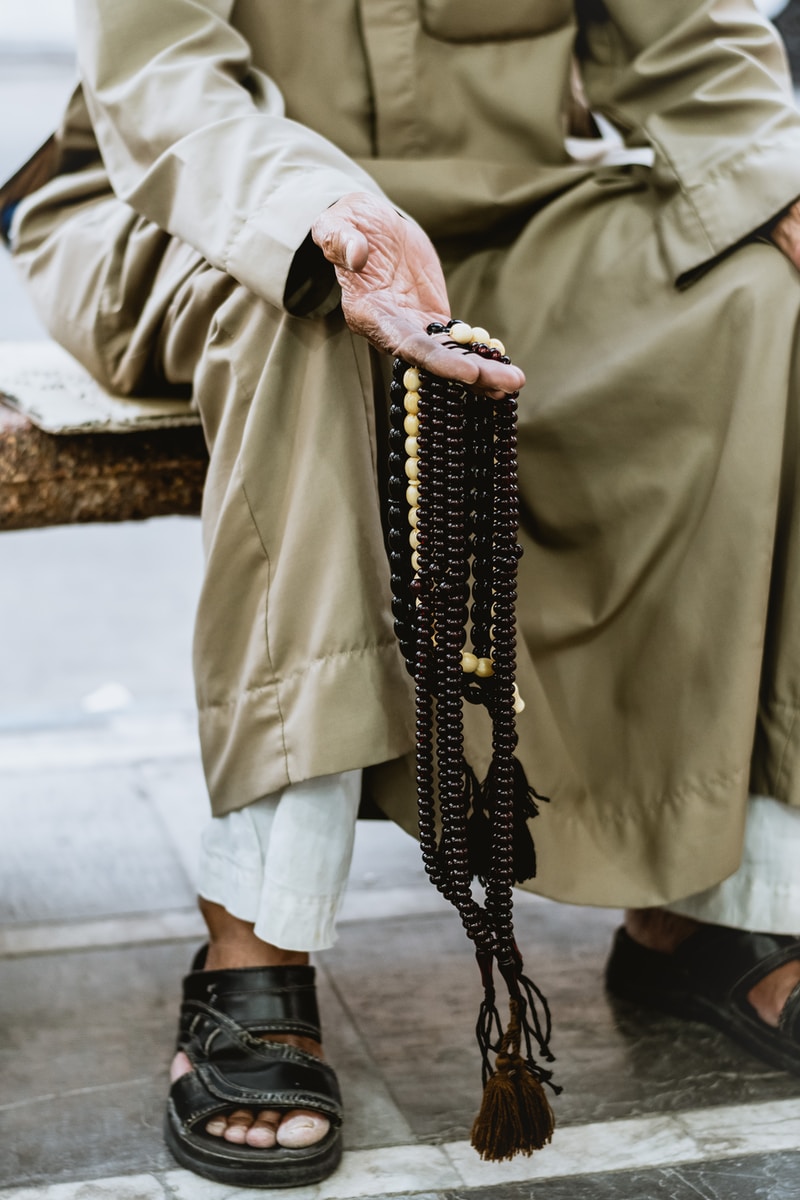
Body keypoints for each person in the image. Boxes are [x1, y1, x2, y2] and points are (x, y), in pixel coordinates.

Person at [3, 0, 800, 1187]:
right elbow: (163, 77)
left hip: (514, 206)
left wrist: (779, 188)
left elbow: (688, 41)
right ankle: (253, 947)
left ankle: (707, 901)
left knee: (761, 299)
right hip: (194, 201)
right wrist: (316, 216)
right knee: (307, 308)